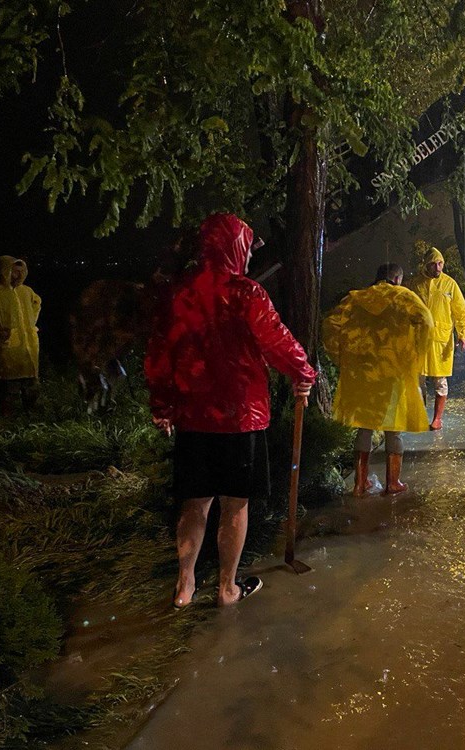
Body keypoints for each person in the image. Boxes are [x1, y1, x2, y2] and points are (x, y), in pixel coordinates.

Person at [145, 213, 315, 609]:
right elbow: (275, 339)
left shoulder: (178, 293)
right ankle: (226, 588)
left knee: (195, 502)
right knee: (235, 505)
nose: (251, 259)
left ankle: (184, 586)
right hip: (241, 417)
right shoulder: (246, 293)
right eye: (247, 249)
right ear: (236, 247)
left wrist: (163, 404)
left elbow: (159, 354)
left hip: (193, 417)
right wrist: (303, 371)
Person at [322, 263, 433, 496]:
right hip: (393, 372)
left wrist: (341, 357)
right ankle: (393, 482)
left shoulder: (357, 298)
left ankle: (360, 484)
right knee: (394, 429)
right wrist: (416, 354)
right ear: (397, 279)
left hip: (363, 372)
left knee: (364, 428)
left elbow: (330, 324)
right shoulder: (404, 298)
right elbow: (426, 321)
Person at [407, 246, 465, 430]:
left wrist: (463, 334)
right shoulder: (415, 285)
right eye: (434, 264)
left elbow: (461, 312)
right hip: (418, 341)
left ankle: (437, 419)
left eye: (440, 263)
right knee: (418, 381)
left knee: (440, 381)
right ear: (426, 265)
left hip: (441, 342)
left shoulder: (450, 285)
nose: (437, 268)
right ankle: (420, 416)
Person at [0, 256, 41, 415]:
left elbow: (37, 303)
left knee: (31, 385)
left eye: (20, 271)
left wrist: (31, 324)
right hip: (8, 348)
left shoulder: (27, 291)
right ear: (5, 272)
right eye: (13, 272)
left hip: (28, 347)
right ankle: (8, 422)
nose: (17, 275)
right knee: (9, 388)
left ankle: (30, 420)